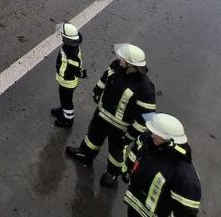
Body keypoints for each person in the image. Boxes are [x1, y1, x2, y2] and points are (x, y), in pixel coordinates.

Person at [65, 43, 156, 188]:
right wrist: (97, 90)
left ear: (130, 64)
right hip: (101, 116)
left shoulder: (145, 87)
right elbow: (104, 79)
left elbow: (146, 117)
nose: (119, 58)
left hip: (120, 128)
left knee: (116, 151)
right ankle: (85, 155)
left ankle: (112, 173)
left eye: (122, 58)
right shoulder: (116, 66)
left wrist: (129, 135)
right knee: (92, 137)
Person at [123, 113, 202, 216]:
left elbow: (186, 211)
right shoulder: (149, 141)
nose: (152, 136)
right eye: (153, 132)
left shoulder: (184, 175)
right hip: (134, 205)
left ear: (170, 141)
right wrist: (127, 168)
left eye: (157, 135)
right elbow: (135, 153)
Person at [50, 22, 86, 128]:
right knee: (64, 99)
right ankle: (62, 110)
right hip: (67, 81)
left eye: (62, 35)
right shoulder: (72, 46)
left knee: (67, 102)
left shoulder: (70, 52)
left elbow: (74, 67)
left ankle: (68, 120)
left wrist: (77, 73)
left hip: (67, 82)